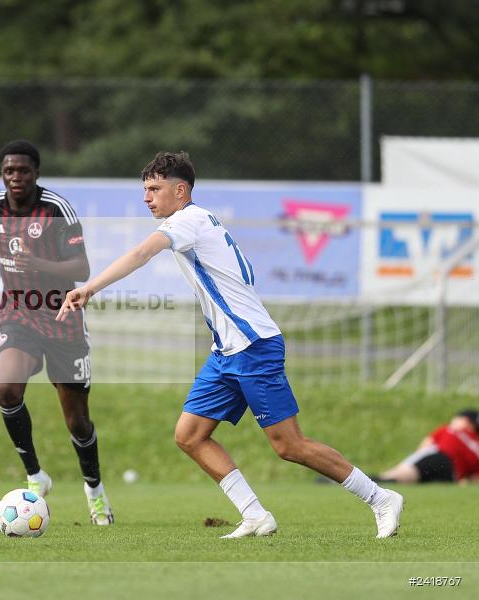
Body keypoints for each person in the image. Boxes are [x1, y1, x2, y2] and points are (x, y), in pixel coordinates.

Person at [57, 151, 404, 538]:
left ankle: (380, 498)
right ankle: (255, 515)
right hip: (227, 351)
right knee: (189, 435)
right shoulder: (197, 221)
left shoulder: (188, 219)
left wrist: (88, 288)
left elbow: (141, 253)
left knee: (289, 445)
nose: (147, 197)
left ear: (180, 190)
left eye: (155, 188)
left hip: (253, 346)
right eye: (145, 190)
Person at [0, 140, 113, 525]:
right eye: (9, 171)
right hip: (17, 313)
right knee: (8, 389)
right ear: (2, 173)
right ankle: (35, 473)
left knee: (77, 421)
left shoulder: (56, 210)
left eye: (23, 171)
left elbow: (81, 268)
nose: (16, 177)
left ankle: (94, 491)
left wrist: (39, 262)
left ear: (36, 173)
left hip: (63, 317)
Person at [377, 409, 479, 484]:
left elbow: (426, 445)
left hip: (439, 457)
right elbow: (473, 478)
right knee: (409, 478)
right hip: (451, 475)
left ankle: (377, 480)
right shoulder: (475, 444)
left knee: (399, 475)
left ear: (466, 421)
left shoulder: (451, 430)